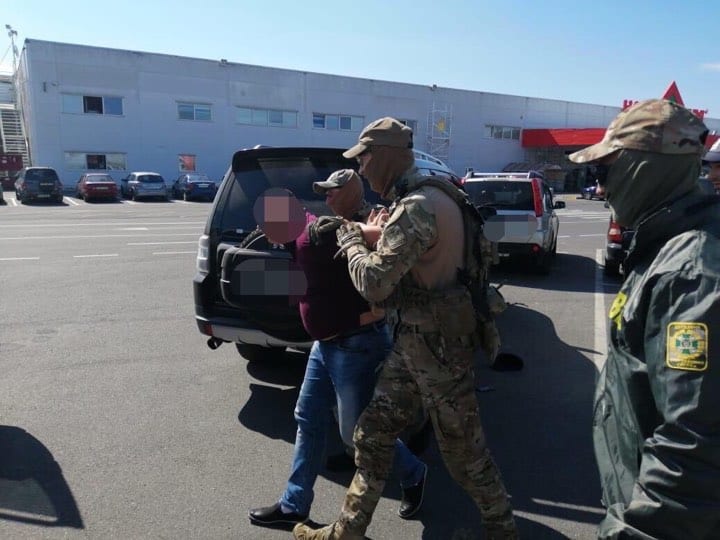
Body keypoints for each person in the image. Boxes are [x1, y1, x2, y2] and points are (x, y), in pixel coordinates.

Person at [293, 118, 517, 540]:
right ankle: (348, 530)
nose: (361, 169)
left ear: (386, 155)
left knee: (464, 454)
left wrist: (350, 238)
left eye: (364, 159)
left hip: (437, 349)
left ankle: (502, 529)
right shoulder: (431, 196)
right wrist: (370, 233)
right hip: (415, 343)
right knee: (372, 434)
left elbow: (374, 284)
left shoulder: (417, 205)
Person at [568, 99, 720, 539]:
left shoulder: (691, 270)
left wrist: (629, 531)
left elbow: (695, 443)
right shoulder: (666, 248)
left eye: (605, 171)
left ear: (644, 168)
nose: (602, 188)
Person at [248, 169, 427, 529]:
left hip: (355, 346)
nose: (326, 196)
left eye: (333, 191)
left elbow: (387, 239)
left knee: (355, 434)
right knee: (308, 417)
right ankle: (294, 504)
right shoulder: (302, 230)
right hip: (325, 346)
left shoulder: (325, 232)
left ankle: (413, 472)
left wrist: (376, 230)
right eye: (323, 191)